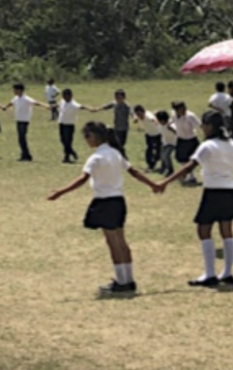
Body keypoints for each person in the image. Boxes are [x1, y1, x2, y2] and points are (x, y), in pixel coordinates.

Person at [47, 121, 161, 294]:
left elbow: (83, 179)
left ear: (94, 136)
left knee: (113, 243)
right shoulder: (115, 153)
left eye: (87, 136)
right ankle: (128, 279)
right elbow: (134, 172)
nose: (86, 140)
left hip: (104, 202)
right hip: (118, 201)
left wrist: (61, 192)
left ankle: (122, 282)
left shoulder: (96, 157)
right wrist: (153, 184)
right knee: (121, 242)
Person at [155, 111, 233, 287]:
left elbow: (189, 166)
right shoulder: (231, 144)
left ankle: (210, 273)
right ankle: (228, 272)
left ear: (210, 126)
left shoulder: (207, 146)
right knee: (227, 231)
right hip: (229, 191)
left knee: (203, 230)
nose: (203, 128)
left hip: (213, 191)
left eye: (204, 125)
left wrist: (165, 182)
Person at [1, 83, 48, 162]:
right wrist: (5, 107)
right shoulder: (16, 98)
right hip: (18, 120)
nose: (14, 91)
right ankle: (25, 154)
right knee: (21, 138)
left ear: (19, 90)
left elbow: (35, 102)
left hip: (24, 120)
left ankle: (26, 155)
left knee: (22, 138)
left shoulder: (26, 98)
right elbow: (11, 103)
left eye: (15, 90)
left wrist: (45, 105)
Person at [172, 102, 203, 186]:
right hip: (181, 140)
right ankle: (189, 175)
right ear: (176, 110)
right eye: (181, 109)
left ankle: (192, 176)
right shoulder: (174, 115)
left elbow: (200, 125)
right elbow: (173, 123)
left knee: (196, 159)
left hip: (191, 140)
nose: (184, 110)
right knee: (180, 158)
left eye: (184, 108)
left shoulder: (190, 116)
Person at [57, 89, 91, 164]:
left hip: (69, 124)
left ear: (71, 96)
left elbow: (82, 106)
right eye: (64, 96)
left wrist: (90, 109)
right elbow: (58, 104)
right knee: (62, 140)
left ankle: (67, 157)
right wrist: (51, 106)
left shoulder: (74, 104)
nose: (65, 97)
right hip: (61, 123)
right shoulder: (62, 101)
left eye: (67, 96)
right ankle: (71, 151)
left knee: (68, 141)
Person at [132, 105, 162, 174]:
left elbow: (153, 119)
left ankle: (158, 159)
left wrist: (156, 121)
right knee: (149, 149)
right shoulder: (138, 115)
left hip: (157, 134)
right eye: (137, 114)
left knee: (158, 151)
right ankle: (150, 165)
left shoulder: (148, 116)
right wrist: (135, 118)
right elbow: (135, 115)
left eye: (140, 114)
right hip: (149, 134)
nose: (139, 116)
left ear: (143, 112)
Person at [158, 110, 178, 177]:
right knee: (162, 155)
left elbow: (177, 132)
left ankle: (170, 170)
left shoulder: (171, 125)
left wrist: (172, 129)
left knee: (166, 155)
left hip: (172, 143)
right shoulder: (161, 124)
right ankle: (163, 168)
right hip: (165, 142)